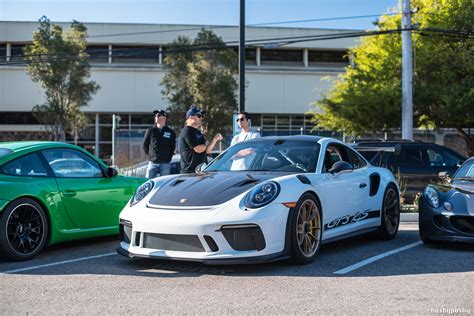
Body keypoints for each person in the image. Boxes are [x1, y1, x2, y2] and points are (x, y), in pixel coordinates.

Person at [179, 105, 223, 174]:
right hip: (190, 172)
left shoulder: (198, 132)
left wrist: (215, 139)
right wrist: (205, 144)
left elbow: (207, 150)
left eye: (202, 116)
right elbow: (198, 149)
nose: (201, 118)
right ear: (190, 117)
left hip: (201, 170)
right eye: (199, 116)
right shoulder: (187, 131)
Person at [142, 109, 176, 178]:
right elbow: (145, 145)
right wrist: (151, 155)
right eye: (156, 115)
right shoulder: (151, 130)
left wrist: (168, 158)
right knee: (148, 182)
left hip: (165, 163)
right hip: (152, 162)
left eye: (159, 115)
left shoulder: (170, 132)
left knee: (164, 183)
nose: (157, 116)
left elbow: (172, 147)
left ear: (164, 117)